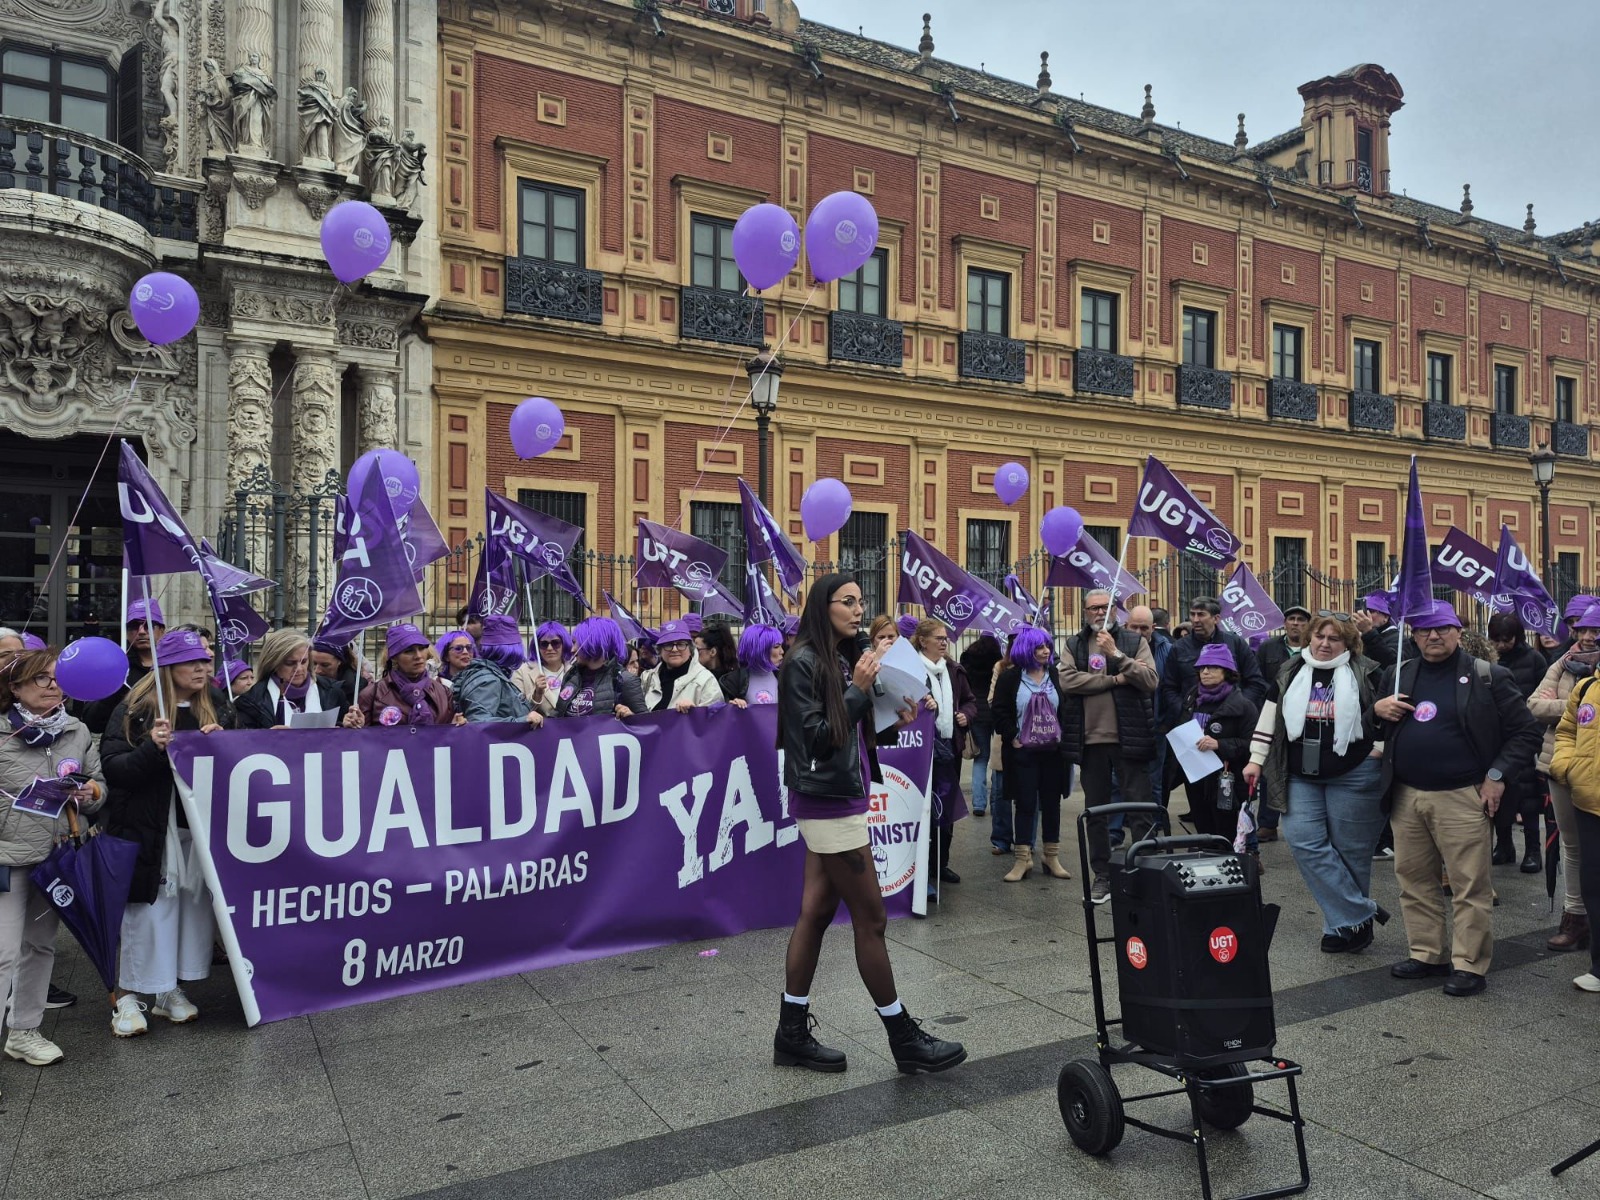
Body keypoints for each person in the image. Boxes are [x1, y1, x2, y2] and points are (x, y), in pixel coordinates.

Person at [773, 573, 965, 1075]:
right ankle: (903, 1036)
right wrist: (859, 691)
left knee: (815, 914)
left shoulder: (837, 657)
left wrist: (885, 719)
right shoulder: (802, 663)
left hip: (840, 796)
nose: (859, 611)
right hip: (828, 804)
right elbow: (813, 739)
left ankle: (790, 1033)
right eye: (848, 602)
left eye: (862, 602)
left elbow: (846, 729)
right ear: (824, 606)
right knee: (873, 920)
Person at [1370, 601, 1543, 996]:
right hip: (1407, 795)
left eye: (1443, 628)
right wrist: (1376, 710)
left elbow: (1525, 734)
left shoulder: (1488, 676)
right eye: (1425, 630)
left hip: (1463, 796)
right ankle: (1428, 953)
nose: (1434, 635)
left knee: (1469, 885)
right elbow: (1373, 729)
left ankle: (1469, 963)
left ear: (1458, 632)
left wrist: (1496, 777)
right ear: (1413, 636)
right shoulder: (1400, 674)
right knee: (1413, 880)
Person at [100, 630, 232, 1037]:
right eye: (192, 662)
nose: (202, 668)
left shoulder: (219, 706)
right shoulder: (135, 711)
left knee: (189, 913)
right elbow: (115, 770)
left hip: (194, 831)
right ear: (168, 668)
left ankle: (167, 989)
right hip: (148, 831)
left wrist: (225, 747)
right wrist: (152, 748)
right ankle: (124, 998)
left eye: (205, 661)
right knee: (148, 914)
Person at [1246, 611, 1387, 952]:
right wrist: (1255, 759)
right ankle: (1360, 913)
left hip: (1354, 773)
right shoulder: (1291, 670)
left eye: (1334, 638)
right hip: (1300, 775)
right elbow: (1269, 716)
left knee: (1349, 852)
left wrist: (1379, 749)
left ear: (1348, 644)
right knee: (1303, 842)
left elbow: (1384, 714)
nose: (1325, 644)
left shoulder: (1368, 671)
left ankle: (1340, 928)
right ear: (1309, 638)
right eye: (1319, 637)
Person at [0, 645, 106, 1065]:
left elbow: (99, 785)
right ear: (16, 686)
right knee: (3, 954)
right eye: (42, 678)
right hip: (7, 858)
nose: (53, 686)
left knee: (40, 948)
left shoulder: (76, 730)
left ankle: (24, 1031)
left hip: (55, 857)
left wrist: (92, 792)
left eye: (58, 677)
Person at [1063, 589, 1160, 903]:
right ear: (1085, 611)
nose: (1098, 612)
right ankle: (1102, 874)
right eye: (1093, 608)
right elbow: (1068, 681)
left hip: (1128, 737)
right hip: (1090, 741)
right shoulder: (1074, 644)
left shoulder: (1133, 642)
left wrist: (1117, 656)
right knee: (1097, 812)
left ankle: (1145, 869)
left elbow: (1149, 680)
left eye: (1105, 607)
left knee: (1140, 807)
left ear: (1115, 609)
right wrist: (1114, 680)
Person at [1528, 604, 1599, 954]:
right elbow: (1533, 706)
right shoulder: (1562, 662)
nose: (1586, 637)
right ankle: (1575, 918)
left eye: (1595, 632)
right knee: (1571, 846)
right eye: (1582, 630)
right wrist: (1575, 704)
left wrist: (1561, 703)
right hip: (1558, 766)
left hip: (1595, 770)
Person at [989, 626, 1070, 883]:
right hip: (1022, 753)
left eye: (1047, 646)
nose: (1046, 651)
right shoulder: (1010, 678)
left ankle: (1051, 855)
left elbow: (1067, 710)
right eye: (1040, 647)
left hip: (1052, 753)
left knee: (1051, 803)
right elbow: (999, 711)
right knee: (1024, 804)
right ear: (1027, 650)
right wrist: (1013, 736)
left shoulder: (1055, 675)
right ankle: (1022, 859)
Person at [1546, 652, 1600, 993]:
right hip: (1589, 801)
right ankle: (1598, 966)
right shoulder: (1586, 688)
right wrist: (1567, 767)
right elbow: (1566, 732)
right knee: (1594, 886)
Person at [913, 619, 976, 893]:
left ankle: (941, 863)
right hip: (922, 750)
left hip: (950, 747)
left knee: (946, 809)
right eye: (937, 638)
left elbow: (971, 701)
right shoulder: (913, 669)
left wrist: (966, 715)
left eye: (945, 637)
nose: (943, 642)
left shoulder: (953, 670)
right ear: (922, 641)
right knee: (923, 810)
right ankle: (921, 867)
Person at [1175, 643, 1258, 840]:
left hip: (1227, 779)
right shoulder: (1190, 699)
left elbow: (1253, 745)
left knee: (1226, 832)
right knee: (1202, 827)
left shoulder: (1244, 706)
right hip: (1195, 777)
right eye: (1202, 668)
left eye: (1212, 667)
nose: (1205, 671)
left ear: (1227, 671)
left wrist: (1220, 745)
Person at [1487, 612, 1547, 872]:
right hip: (1495, 736)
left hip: (1526, 734)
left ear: (1518, 637)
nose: (1501, 645)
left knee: (1527, 796)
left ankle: (1533, 849)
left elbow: (1545, 696)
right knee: (1500, 793)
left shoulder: (1533, 659)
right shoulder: (1487, 660)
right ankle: (1504, 844)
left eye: (1506, 639)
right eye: (1496, 639)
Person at [1161, 597, 1268, 723]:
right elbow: (1169, 687)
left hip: (1231, 722)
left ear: (1216, 618)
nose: (1195, 620)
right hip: (1192, 723)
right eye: (1192, 614)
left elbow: (1256, 682)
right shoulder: (1179, 647)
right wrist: (1184, 711)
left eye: (1201, 615)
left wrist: (1239, 707)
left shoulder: (1235, 643)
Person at [347, 624, 460, 728]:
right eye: (409, 651)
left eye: (421, 648)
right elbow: (360, 743)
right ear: (394, 657)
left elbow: (449, 739)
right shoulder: (372, 695)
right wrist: (355, 726)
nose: (418, 656)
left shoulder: (444, 692)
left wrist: (458, 728)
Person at [234, 629, 352, 729]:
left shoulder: (332, 691)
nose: (299, 669)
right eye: (290, 663)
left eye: (304, 661)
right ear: (274, 663)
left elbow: (346, 737)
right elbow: (245, 744)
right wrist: (267, 737)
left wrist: (349, 724)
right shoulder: (250, 702)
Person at [83, 596, 165, 734]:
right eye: (134, 626)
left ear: (161, 630)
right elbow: (92, 722)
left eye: (148, 625)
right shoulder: (115, 667)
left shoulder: (173, 667)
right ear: (126, 632)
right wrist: (115, 689)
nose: (141, 631)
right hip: (124, 746)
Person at [452, 615, 543, 726]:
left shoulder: (494, 674)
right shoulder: (488, 679)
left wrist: (537, 696)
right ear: (512, 649)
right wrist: (523, 720)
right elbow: (478, 722)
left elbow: (510, 710)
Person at [551, 617, 647, 718]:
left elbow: (644, 725)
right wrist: (539, 719)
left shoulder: (624, 680)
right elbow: (558, 717)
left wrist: (630, 716)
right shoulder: (571, 675)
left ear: (592, 643)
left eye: (575, 642)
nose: (572, 650)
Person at [958, 633, 1003, 817]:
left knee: (981, 758)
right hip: (994, 710)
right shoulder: (998, 660)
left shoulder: (967, 659)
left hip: (976, 712)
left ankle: (978, 803)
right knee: (997, 758)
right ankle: (996, 801)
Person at [643, 620, 724, 712]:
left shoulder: (706, 680)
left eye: (681, 644)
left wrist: (696, 711)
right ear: (660, 650)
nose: (674, 649)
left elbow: (715, 719)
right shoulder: (647, 678)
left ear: (690, 649)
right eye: (668, 645)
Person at [722, 624, 785, 706]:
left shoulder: (786, 678)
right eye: (776, 647)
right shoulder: (733, 682)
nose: (782, 651)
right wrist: (732, 706)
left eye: (781, 646)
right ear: (759, 650)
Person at [513, 622, 570, 709]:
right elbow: (517, 709)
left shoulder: (575, 670)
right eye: (544, 644)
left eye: (555, 643)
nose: (550, 648)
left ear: (564, 644)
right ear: (537, 647)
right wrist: (537, 694)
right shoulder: (522, 672)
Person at [311, 639, 369, 709]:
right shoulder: (302, 684)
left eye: (325, 665)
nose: (317, 670)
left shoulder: (357, 687)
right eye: (313, 664)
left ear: (339, 662)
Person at [1355, 593, 1399, 670]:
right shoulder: (1360, 635)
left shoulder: (1397, 638)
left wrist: (1369, 632)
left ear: (1385, 617)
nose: (1366, 615)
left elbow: (1393, 664)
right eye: (1365, 611)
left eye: (1371, 611)